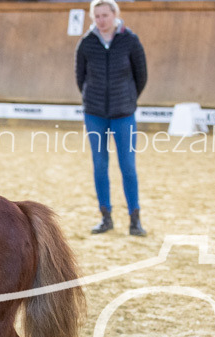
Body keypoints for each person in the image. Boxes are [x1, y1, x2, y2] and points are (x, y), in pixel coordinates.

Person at [76, 0, 148, 236]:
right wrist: (92, 101)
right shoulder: (86, 43)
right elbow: (81, 77)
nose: (101, 20)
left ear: (115, 14)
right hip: (95, 114)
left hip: (123, 114)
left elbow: (141, 75)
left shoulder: (130, 41)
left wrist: (127, 99)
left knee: (127, 166)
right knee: (99, 165)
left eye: (105, 15)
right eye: (96, 16)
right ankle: (105, 216)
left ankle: (134, 218)